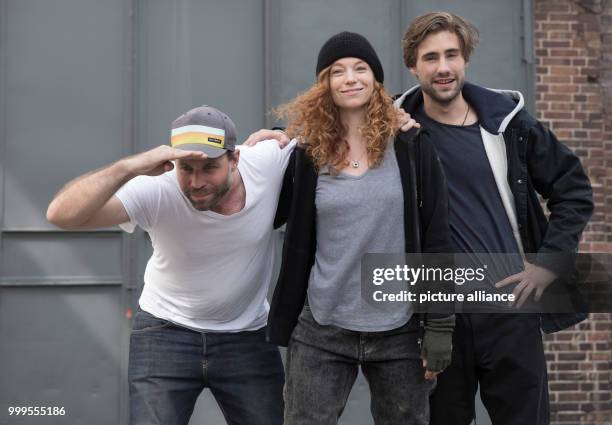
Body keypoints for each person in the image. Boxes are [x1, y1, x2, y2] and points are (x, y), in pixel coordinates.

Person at [395, 12, 593, 425]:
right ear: (413, 66)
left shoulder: (510, 125)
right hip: (438, 314)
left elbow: (572, 189)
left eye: (452, 55)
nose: (443, 67)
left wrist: (548, 262)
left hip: (510, 310)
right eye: (430, 58)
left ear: (466, 58)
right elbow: (328, 136)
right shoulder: (394, 129)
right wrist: (275, 136)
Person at [46, 105, 295, 425]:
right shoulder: (157, 188)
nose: (196, 181)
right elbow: (61, 215)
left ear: (236, 159)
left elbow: (338, 129)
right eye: (186, 168)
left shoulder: (265, 161)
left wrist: (283, 134)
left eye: (209, 168)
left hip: (246, 338)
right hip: (165, 335)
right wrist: (128, 167)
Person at [264, 31, 455, 425]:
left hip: (400, 329)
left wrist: (439, 325)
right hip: (322, 326)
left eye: (360, 68)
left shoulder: (411, 146)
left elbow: (436, 235)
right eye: (338, 71)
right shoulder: (307, 154)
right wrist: (265, 150)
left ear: (376, 80)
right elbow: (273, 215)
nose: (350, 78)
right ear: (325, 85)